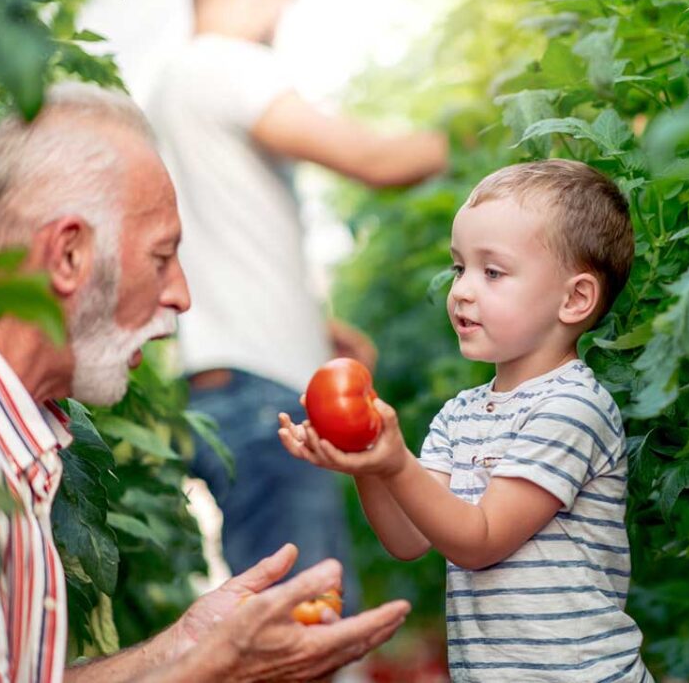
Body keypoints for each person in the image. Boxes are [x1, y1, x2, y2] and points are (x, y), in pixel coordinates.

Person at [0, 82, 409, 682]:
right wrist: (213, 672)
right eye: (161, 257)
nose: (181, 296)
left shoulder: (13, 444)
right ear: (68, 255)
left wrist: (184, 647)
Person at [144, 0, 450, 601]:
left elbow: (226, 237)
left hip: (235, 389)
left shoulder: (172, 88)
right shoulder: (227, 63)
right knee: (306, 623)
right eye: (280, 6)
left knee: (307, 612)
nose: (278, 25)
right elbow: (377, 161)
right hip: (263, 399)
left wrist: (317, 332)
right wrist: (482, 129)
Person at [279, 159, 653, 681]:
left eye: (492, 272)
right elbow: (409, 538)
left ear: (574, 299)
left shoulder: (572, 408)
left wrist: (396, 463)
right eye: (459, 268)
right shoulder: (461, 414)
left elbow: (480, 540)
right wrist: (368, 459)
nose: (462, 291)